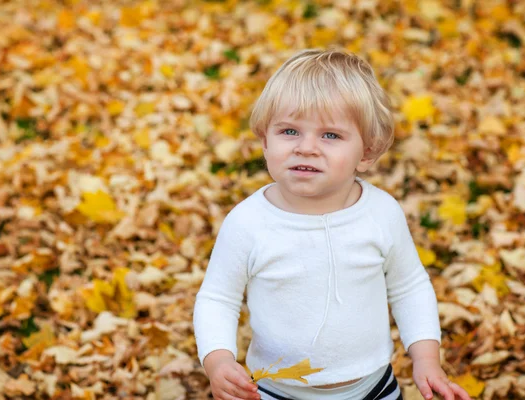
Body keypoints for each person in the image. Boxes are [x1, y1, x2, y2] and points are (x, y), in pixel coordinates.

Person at [193, 49, 471, 400]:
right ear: (265, 141)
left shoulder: (380, 214)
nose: (306, 148)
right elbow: (218, 298)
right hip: (276, 390)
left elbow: (409, 286)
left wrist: (426, 358)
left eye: (330, 136)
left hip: (374, 388)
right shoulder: (249, 222)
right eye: (289, 131)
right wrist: (218, 361)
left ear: (367, 153)